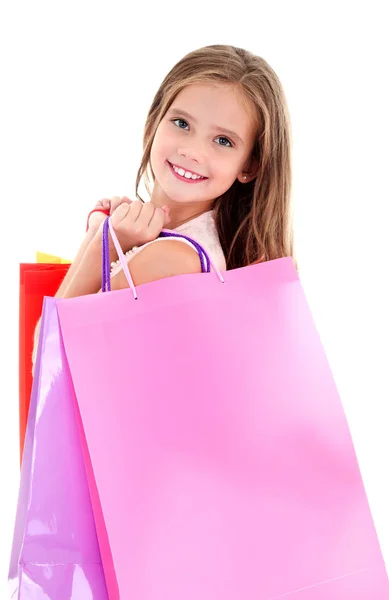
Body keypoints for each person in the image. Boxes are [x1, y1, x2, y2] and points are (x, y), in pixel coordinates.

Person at [32, 43, 298, 370]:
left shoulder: (173, 257)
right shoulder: (190, 244)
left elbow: (47, 362)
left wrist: (105, 241)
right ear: (154, 123)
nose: (193, 151)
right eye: (182, 123)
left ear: (250, 166)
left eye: (223, 141)